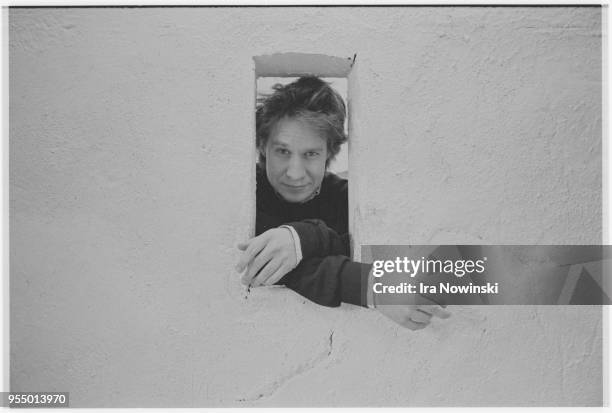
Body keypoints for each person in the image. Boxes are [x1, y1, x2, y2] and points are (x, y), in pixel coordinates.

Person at [235, 76, 450, 330]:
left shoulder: (344, 198)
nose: (295, 172)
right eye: (283, 151)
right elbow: (272, 266)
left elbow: (344, 244)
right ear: (262, 145)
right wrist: (372, 287)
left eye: (311, 154)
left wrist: (301, 239)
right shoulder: (244, 195)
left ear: (330, 153)